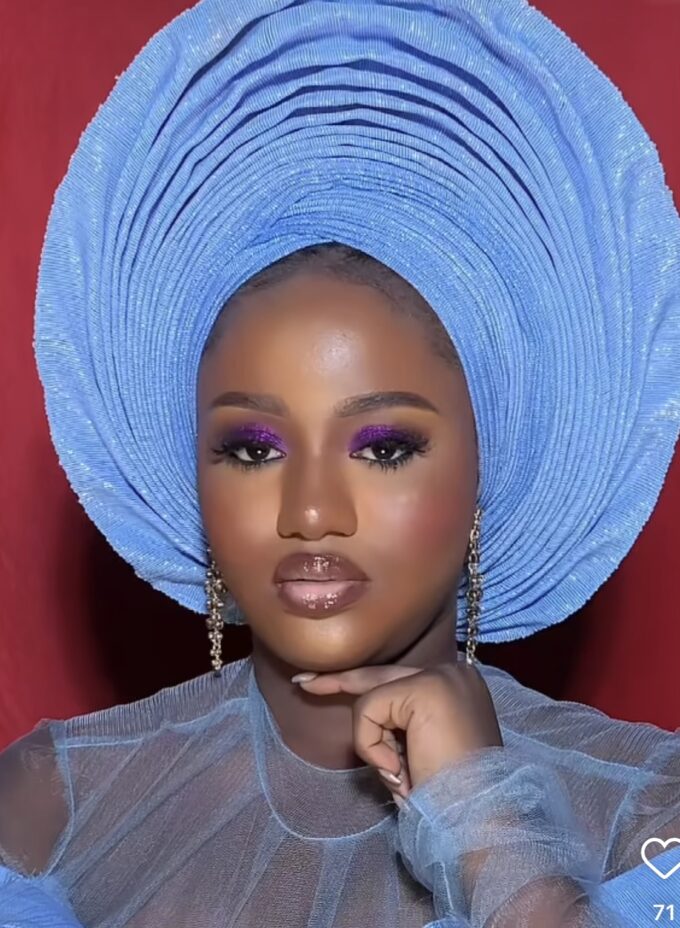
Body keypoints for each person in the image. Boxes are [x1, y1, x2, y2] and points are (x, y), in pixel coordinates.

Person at [1, 0, 679, 925]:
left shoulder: (646, 814)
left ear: (486, 473)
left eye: (384, 448)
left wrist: (490, 825)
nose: (311, 512)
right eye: (253, 449)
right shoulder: (51, 810)